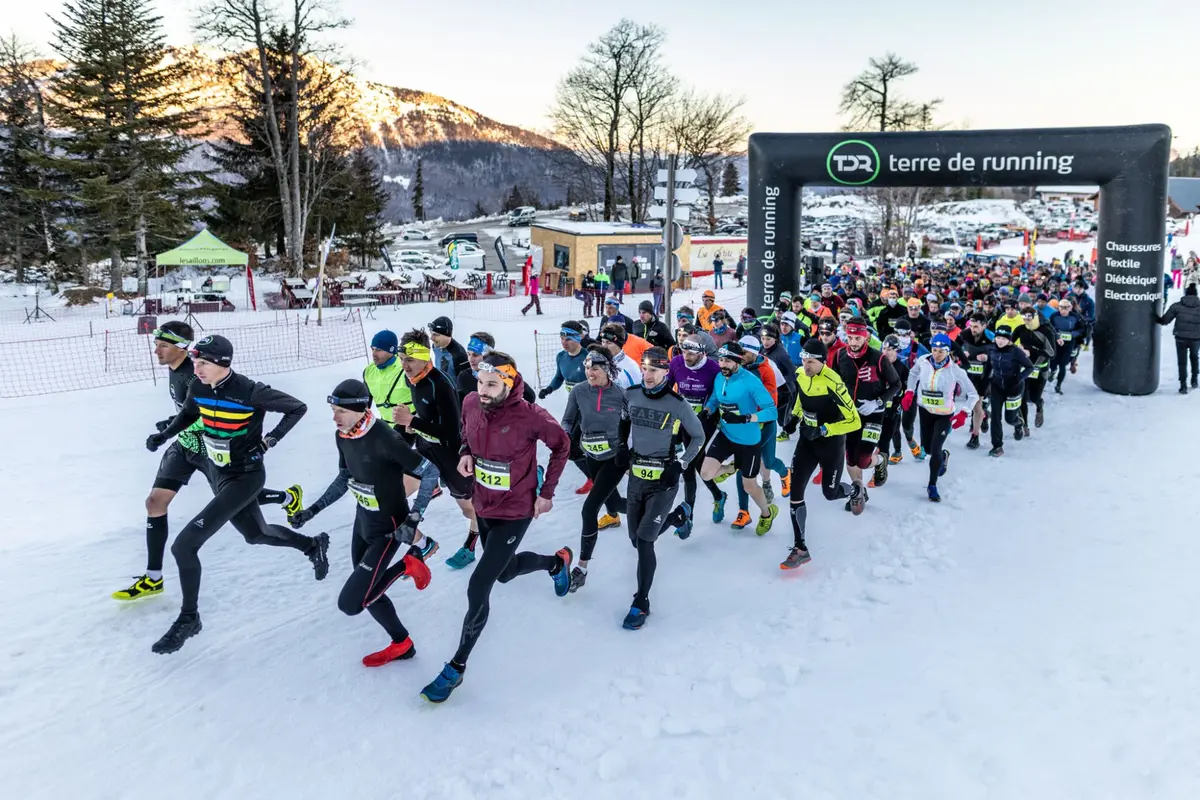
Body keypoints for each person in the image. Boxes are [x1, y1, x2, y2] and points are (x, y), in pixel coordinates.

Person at [144, 335, 330, 654]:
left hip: (246, 477)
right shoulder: (199, 387)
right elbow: (189, 414)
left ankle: (189, 618)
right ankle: (312, 545)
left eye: (202, 364)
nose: (196, 369)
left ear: (221, 364)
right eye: (196, 363)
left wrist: (270, 441)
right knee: (256, 535)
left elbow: (297, 408)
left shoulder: (249, 391)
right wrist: (164, 435)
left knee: (184, 545)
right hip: (220, 473)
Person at [420, 352, 572, 704]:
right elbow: (464, 429)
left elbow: (562, 447)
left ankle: (456, 667)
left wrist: (546, 494)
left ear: (509, 382)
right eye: (480, 382)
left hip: (516, 509)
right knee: (503, 573)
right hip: (483, 501)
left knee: (480, 584)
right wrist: (464, 451)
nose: (484, 390)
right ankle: (556, 563)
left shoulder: (530, 416)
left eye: (492, 384)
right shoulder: (472, 402)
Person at [113, 323, 304, 602]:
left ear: (181, 346)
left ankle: (287, 497)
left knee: (234, 502)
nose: (157, 351)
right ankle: (153, 578)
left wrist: (268, 440)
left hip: (211, 449)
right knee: (155, 503)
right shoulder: (179, 369)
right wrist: (168, 431)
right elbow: (190, 411)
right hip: (184, 445)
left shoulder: (200, 375)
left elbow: (220, 409)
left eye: (163, 345)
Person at [324, 380, 435, 668]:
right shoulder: (343, 435)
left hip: (389, 528)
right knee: (370, 591)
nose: (334, 418)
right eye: (333, 410)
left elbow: (430, 472)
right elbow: (344, 476)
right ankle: (402, 643)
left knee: (351, 603)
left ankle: (409, 563)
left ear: (360, 410)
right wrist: (313, 510)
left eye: (340, 411)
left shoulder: (386, 438)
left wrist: (413, 518)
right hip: (362, 522)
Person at [619, 347, 704, 628]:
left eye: (654, 370)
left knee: (644, 541)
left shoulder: (677, 403)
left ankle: (640, 601)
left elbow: (698, 436)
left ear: (667, 372)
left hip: (664, 480)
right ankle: (679, 517)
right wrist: (621, 446)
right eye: (645, 368)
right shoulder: (631, 394)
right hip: (636, 477)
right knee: (635, 539)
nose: (648, 375)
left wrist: (680, 464)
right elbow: (624, 420)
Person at [394, 329, 480, 569]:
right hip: (425, 450)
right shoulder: (411, 379)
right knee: (394, 494)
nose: (405, 365)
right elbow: (423, 418)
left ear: (425, 357)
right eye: (402, 359)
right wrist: (409, 430)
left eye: (409, 359)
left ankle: (472, 545)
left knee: (470, 510)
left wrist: (412, 422)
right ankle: (422, 544)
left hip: (451, 455)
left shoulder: (440, 384)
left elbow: (451, 432)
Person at [779, 338, 862, 569]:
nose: (806, 366)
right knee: (796, 489)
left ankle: (855, 489)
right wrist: (794, 417)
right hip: (807, 440)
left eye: (811, 362)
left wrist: (826, 429)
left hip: (831, 443)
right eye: (804, 360)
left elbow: (854, 421)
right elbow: (800, 398)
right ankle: (800, 547)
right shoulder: (800, 373)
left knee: (830, 493)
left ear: (823, 362)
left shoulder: (833, 382)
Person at [562, 347, 629, 591]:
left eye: (596, 368)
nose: (590, 372)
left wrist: (625, 447)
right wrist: (565, 437)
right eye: (588, 368)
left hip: (614, 458)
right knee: (614, 505)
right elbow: (568, 419)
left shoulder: (621, 393)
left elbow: (630, 422)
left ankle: (582, 567)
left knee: (589, 509)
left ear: (608, 370)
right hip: (592, 454)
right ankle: (658, 512)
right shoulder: (579, 391)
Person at [699, 342, 779, 536]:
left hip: (748, 440)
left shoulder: (750, 381)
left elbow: (771, 411)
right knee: (706, 473)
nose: (722, 364)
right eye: (720, 360)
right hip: (726, 434)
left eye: (727, 360)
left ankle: (767, 513)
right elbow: (716, 399)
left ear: (738, 361)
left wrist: (746, 418)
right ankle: (731, 467)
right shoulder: (720, 377)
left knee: (749, 486)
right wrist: (708, 410)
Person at [899, 333, 978, 502]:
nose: (936, 354)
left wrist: (964, 412)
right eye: (934, 350)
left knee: (934, 449)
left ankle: (932, 485)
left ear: (948, 351)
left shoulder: (956, 370)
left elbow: (973, 394)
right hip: (925, 411)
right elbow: (913, 374)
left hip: (944, 415)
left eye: (941, 351)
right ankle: (943, 456)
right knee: (927, 450)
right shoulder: (923, 361)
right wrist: (910, 391)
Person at [831, 320, 900, 510]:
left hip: (874, 414)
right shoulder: (840, 356)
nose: (853, 342)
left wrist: (877, 402)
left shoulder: (878, 358)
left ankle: (881, 460)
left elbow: (896, 384)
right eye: (850, 338)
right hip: (850, 415)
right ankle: (858, 492)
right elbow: (834, 382)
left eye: (857, 338)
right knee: (850, 458)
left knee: (863, 459)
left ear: (866, 337)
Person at [667, 334, 725, 531]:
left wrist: (708, 410)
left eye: (691, 353)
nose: (686, 356)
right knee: (695, 463)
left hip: (704, 421)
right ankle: (718, 495)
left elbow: (717, 394)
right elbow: (668, 386)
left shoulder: (713, 368)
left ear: (702, 353)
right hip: (683, 417)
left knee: (689, 463)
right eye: (684, 351)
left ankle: (687, 516)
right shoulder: (676, 363)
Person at [984, 325, 1035, 456]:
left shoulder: (1015, 351)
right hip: (997, 386)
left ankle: (1018, 424)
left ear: (1009, 340)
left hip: (1014, 387)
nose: (1000, 341)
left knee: (1009, 418)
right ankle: (997, 446)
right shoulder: (991, 349)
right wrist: (984, 382)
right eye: (998, 338)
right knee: (995, 417)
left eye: (1003, 338)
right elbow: (988, 366)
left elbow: (1030, 367)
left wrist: (1019, 378)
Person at [458, 332, 536, 404]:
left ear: (488, 355)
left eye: (475, 355)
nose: (470, 359)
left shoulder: (502, 372)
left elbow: (530, 397)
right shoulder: (464, 376)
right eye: (468, 354)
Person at [1158, 283, 1200, 393]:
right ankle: (1194, 380)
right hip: (1196, 338)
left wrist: (1155, 318)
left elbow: (1165, 321)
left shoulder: (1177, 306)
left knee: (1182, 362)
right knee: (1195, 358)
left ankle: (1183, 385)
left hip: (1180, 338)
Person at [428, 317, 469, 385]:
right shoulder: (436, 346)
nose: (431, 338)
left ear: (447, 335)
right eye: (431, 334)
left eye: (435, 335)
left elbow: (465, 383)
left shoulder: (459, 355)